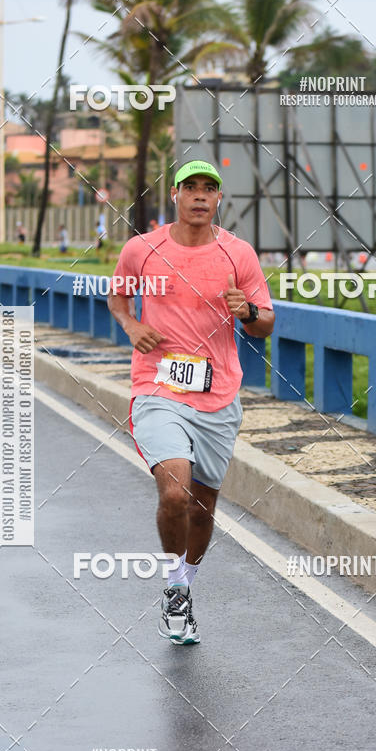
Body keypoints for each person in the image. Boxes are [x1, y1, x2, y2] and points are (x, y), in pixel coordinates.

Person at [108, 160, 275, 645]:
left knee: (202, 508)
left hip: (218, 396)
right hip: (158, 388)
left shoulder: (238, 253)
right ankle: (174, 587)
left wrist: (248, 313)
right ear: (175, 195)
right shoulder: (142, 249)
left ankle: (185, 585)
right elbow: (118, 297)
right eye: (191, 187)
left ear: (218, 198)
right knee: (175, 494)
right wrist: (132, 325)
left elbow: (265, 324)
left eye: (209, 188)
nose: (200, 195)